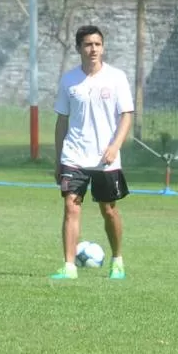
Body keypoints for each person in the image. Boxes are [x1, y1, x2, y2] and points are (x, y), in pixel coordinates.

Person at [51, 25, 133, 280]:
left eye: (97, 44)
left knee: (109, 210)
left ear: (103, 47)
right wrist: (58, 160)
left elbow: (126, 116)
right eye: (88, 44)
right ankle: (69, 266)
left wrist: (115, 146)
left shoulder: (116, 77)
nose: (93, 49)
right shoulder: (69, 80)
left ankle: (117, 259)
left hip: (105, 158)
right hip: (74, 155)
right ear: (79, 49)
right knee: (71, 207)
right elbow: (62, 121)